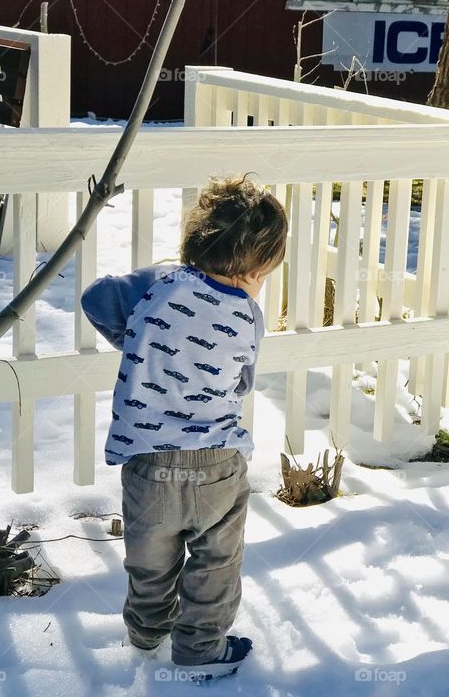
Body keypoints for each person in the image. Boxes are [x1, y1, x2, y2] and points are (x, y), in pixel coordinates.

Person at [81, 175, 287, 675]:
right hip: (217, 460)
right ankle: (200, 650)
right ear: (260, 265)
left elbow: (94, 299)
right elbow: (240, 384)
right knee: (216, 561)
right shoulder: (250, 315)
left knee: (150, 559)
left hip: (148, 460)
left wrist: (132, 339)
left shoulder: (158, 283)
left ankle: (147, 632)